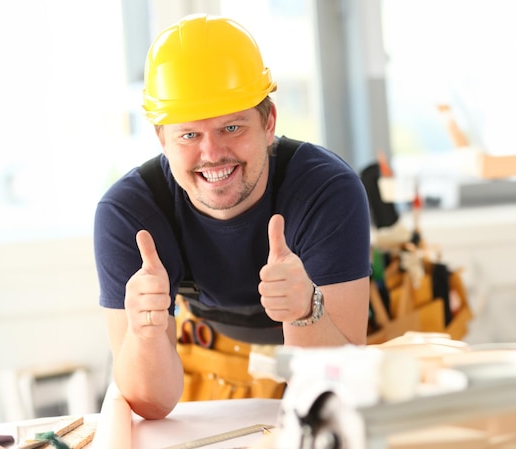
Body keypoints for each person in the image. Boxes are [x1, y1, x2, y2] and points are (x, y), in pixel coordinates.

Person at [93, 13, 371, 420]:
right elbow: (151, 405)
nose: (212, 154)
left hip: (327, 349)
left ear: (269, 122)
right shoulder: (129, 214)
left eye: (232, 127)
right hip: (214, 349)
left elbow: (337, 385)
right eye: (189, 134)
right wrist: (145, 333)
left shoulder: (326, 190)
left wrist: (304, 309)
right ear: (162, 140)